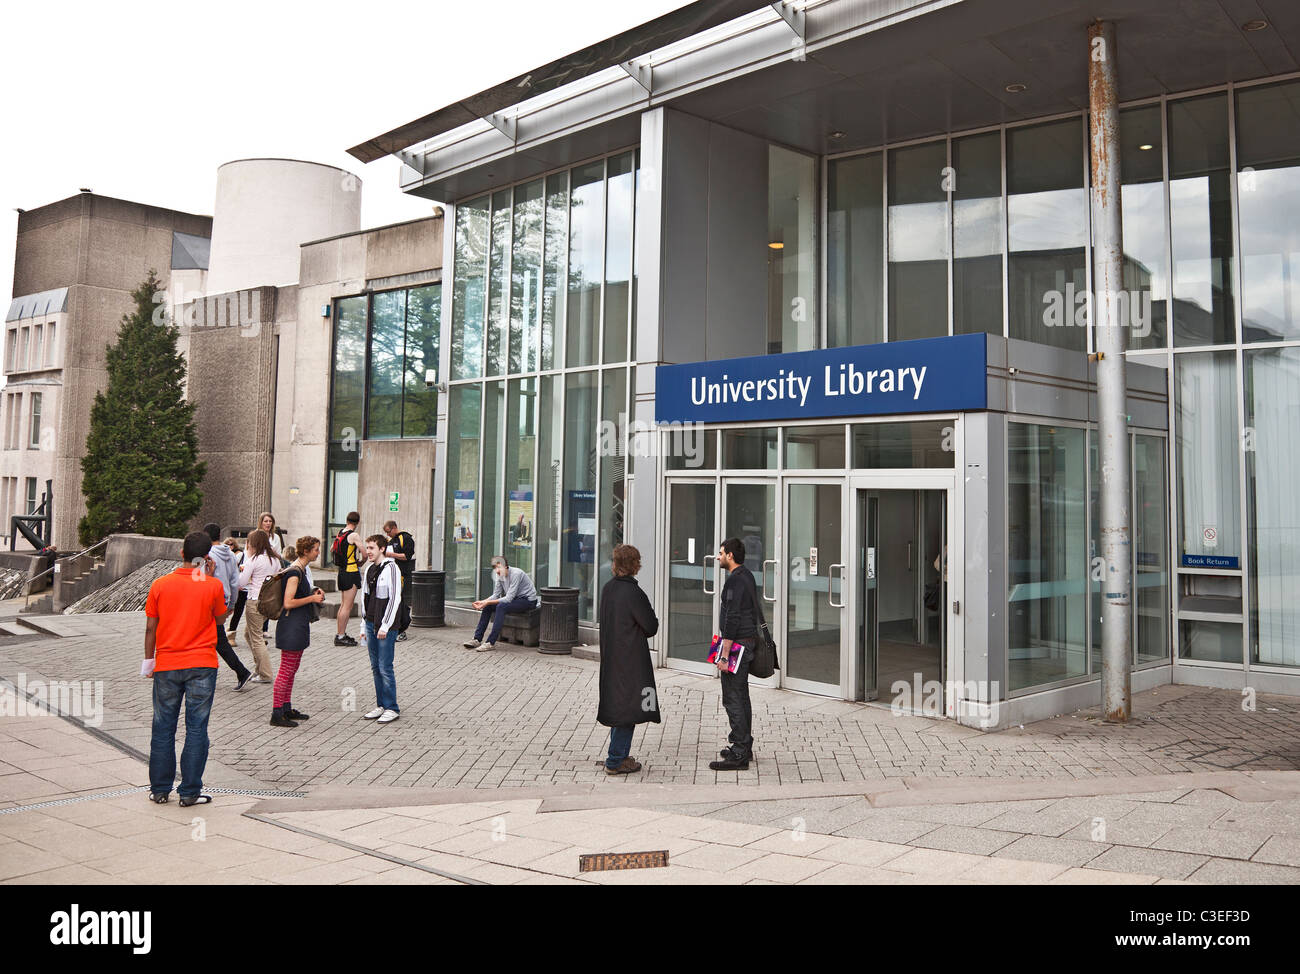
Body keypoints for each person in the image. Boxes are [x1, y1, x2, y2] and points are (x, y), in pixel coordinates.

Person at [142, 530, 229, 806]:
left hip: (166, 663)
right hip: (202, 664)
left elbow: (150, 627)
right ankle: (190, 792)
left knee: (163, 727)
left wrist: (148, 662)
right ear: (206, 558)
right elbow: (219, 619)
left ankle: (159, 789)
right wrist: (210, 579)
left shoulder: (160, 584)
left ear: (181, 554)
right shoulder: (212, 586)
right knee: (196, 729)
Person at [596, 544, 659, 775]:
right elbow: (651, 626)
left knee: (619, 706)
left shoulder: (608, 589)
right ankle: (616, 759)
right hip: (630, 660)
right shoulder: (634, 593)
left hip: (612, 657)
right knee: (629, 708)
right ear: (634, 564)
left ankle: (618, 753)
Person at [710, 537, 760, 772]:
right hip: (747, 640)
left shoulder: (733, 583)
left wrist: (723, 653)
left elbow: (732, 618)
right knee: (741, 694)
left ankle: (739, 751)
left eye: (721, 553)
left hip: (736, 644)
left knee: (732, 697)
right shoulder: (747, 576)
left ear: (730, 555)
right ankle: (744, 744)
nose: (718, 557)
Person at [270, 535, 325, 728]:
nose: (318, 553)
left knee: (292, 669)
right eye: (316, 549)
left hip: (298, 624)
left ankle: (286, 708)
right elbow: (288, 602)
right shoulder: (294, 572)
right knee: (286, 669)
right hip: (291, 625)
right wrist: (312, 600)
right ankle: (277, 713)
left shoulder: (301, 569)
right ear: (306, 551)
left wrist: (314, 592)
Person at [202, 523, 254, 692]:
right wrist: (231, 603)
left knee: (217, 639)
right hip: (224, 600)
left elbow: (200, 579)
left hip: (209, 600)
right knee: (213, 637)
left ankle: (241, 672)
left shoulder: (207, 555)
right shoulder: (231, 555)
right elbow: (234, 581)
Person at [358, 534, 402, 724]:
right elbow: (364, 599)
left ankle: (392, 707)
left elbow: (395, 598)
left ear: (382, 549)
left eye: (372, 548)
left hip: (385, 625)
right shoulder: (369, 569)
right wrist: (363, 625)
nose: (368, 552)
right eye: (367, 548)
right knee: (375, 667)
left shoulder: (392, 568)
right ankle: (381, 705)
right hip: (370, 622)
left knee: (385, 667)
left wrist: (385, 625)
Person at [463, 555, 539, 652]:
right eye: (495, 568)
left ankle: (490, 643)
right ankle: (477, 639)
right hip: (515, 600)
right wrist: (483, 602)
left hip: (528, 601)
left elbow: (508, 598)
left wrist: (486, 602)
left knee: (501, 606)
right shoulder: (500, 576)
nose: (497, 571)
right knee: (488, 606)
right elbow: (495, 595)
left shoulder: (516, 573)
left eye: (499, 567)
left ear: (506, 566)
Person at [237, 528, 278, 683]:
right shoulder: (274, 559)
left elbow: (241, 582)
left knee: (256, 638)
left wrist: (241, 571)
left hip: (254, 600)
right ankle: (259, 669)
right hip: (268, 601)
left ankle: (265, 674)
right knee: (249, 634)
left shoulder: (254, 560)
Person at [382, 520, 416, 641]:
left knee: (399, 601)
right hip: (390, 574)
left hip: (401, 574)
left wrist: (391, 554)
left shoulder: (405, 538)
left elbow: (407, 556)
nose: (388, 535)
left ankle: (402, 628)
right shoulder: (391, 540)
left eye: (388, 532)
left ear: (394, 528)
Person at [333, 512, 362, 647]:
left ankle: (340, 634)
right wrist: (361, 562)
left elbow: (333, 549)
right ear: (357, 522)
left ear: (346, 520)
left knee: (343, 605)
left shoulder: (341, 532)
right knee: (347, 606)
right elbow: (365, 552)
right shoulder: (354, 535)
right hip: (351, 571)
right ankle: (341, 636)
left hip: (342, 571)